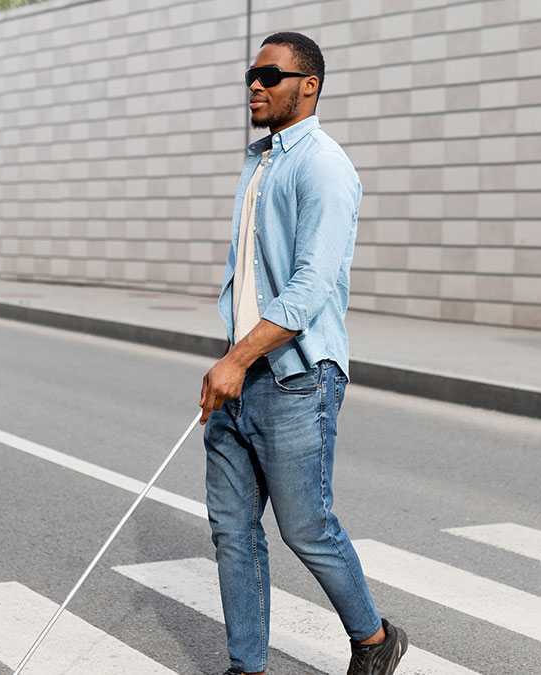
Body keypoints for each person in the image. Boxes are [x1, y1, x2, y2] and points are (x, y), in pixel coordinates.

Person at [197, 32, 408, 675]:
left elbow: (311, 286)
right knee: (233, 532)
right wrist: (231, 354)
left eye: (270, 74)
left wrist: (237, 360)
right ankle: (246, 665)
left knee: (306, 528)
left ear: (308, 85)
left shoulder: (323, 165)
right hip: (242, 373)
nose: (255, 85)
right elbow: (251, 275)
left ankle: (374, 639)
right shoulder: (260, 161)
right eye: (250, 75)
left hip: (295, 379)